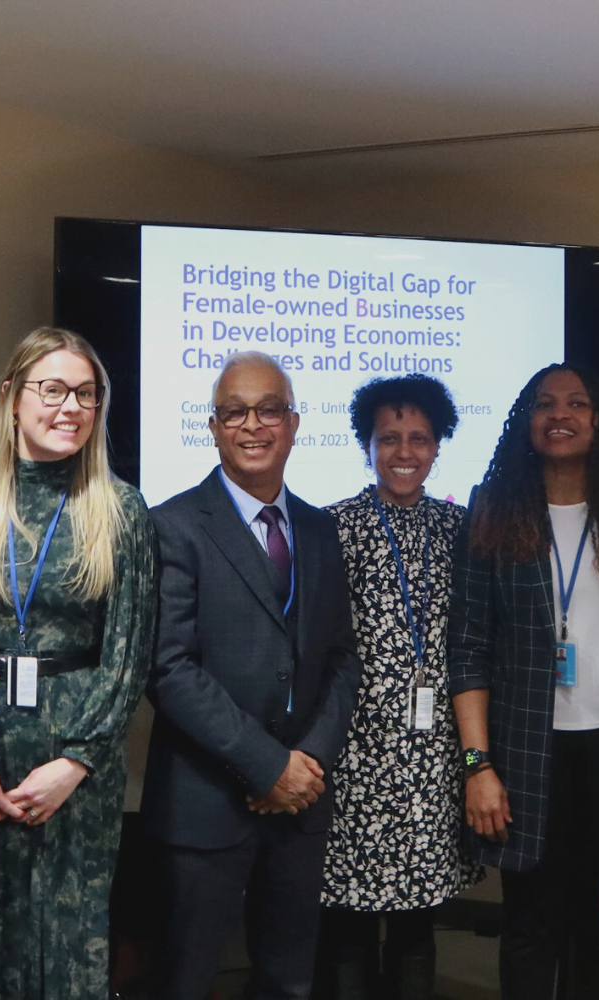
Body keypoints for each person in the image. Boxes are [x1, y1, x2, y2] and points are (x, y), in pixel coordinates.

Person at [0, 328, 158, 1000]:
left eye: (86, 394)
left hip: (74, 762)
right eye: (52, 390)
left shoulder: (121, 510)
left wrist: (77, 760)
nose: (70, 407)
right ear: (12, 399)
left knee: (65, 933)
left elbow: (129, 653)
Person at [448, 363, 599, 1000]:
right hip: (527, 757)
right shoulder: (494, 508)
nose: (559, 414)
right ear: (525, 424)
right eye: (543, 404)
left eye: (577, 402)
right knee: (530, 927)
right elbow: (469, 651)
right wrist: (478, 765)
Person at [142, 350, 362, 1000]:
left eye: (269, 409)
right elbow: (170, 668)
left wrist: (307, 763)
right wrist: (269, 766)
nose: (252, 424)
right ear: (213, 427)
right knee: (184, 980)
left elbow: (343, 659)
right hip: (204, 804)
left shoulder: (322, 531)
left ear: (294, 425)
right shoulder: (175, 526)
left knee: (289, 981)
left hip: (301, 807)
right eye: (234, 411)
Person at [313, 375, 482, 1000]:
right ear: (366, 444)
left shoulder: (461, 531)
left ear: (438, 446)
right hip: (353, 761)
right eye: (389, 438)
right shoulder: (331, 529)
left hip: (432, 761)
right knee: (348, 933)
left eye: (418, 438)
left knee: (417, 927)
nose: (404, 451)